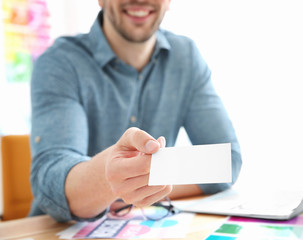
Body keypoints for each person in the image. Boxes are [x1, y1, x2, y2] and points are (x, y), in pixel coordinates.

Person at [30, 0, 242, 222]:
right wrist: (111, 178)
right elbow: (50, 182)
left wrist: (134, 186)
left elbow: (226, 161)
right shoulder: (60, 62)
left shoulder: (186, 57)